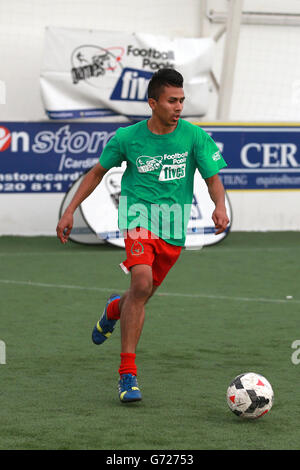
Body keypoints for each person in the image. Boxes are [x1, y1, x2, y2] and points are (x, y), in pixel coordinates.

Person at [56, 68, 229, 404]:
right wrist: (69, 211)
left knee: (141, 293)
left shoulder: (195, 137)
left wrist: (218, 206)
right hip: (138, 220)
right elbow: (96, 174)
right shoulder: (127, 138)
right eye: (171, 101)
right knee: (141, 283)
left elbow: (213, 179)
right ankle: (127, 374)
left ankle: (113, 309)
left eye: (181, 100)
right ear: (153, 103)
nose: (178, 106)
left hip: (174, 228)